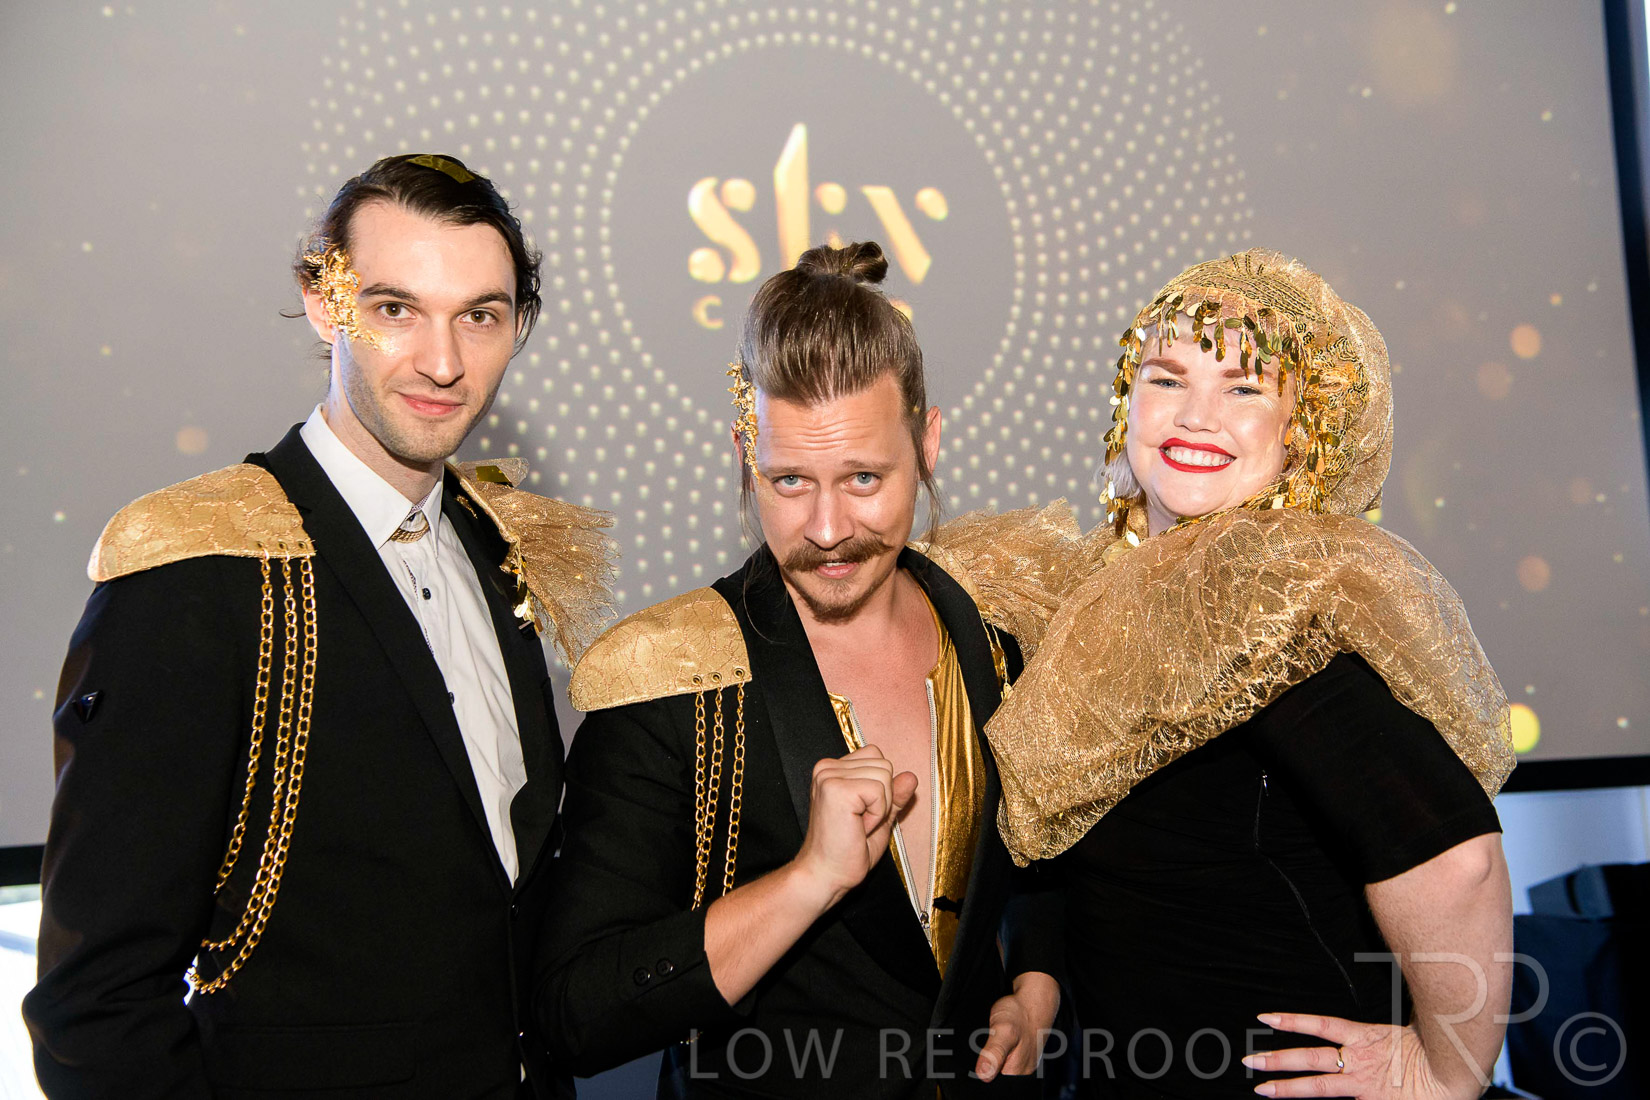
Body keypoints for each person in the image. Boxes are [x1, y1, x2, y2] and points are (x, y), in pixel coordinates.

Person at [24, 154, 614, 1099]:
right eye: (395, 309)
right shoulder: (198, 571)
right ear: (322, 303)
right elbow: (96, 1009)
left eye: (481, 316)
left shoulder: (496, 544)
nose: (443, 362)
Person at [534, 242, 1070, 1097]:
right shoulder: (670, 678)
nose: (827, 528)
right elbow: (575, 1012)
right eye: (788, 481)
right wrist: (807, 883)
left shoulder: (998, 637)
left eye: (863, 478)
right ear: (745, 454)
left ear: (928, 443)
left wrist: (1036, 984)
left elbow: (1045, 861)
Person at [984, 249, 1519, 1099]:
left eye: (1244, 389)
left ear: (1303, 430)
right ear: (1128, 401)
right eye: (1167, 378)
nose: (1196, 416)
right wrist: (1038, 980)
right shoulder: (1110, 595)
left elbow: (1460, 863)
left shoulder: (1274, 607)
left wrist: (1448, 1071)